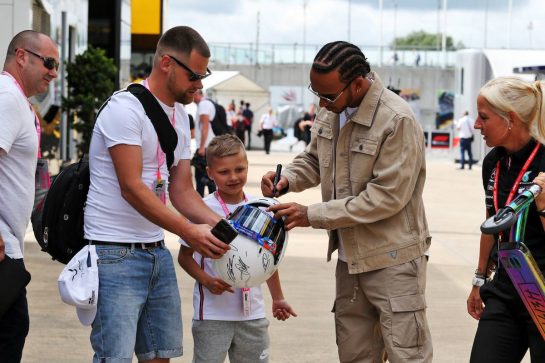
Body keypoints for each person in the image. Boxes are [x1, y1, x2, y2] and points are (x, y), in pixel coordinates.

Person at [261, 41, 432, 363]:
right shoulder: (333, 110)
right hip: (350, 258)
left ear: (358, 83)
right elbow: (314, 159)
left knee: (406, 354)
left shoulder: (396, 120)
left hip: (392, 259)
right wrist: (288, 180)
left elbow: (385, 197)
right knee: (355, 353)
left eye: (328, 96)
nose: (322, 105)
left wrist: (312, 214)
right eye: (317, 94)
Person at [83, 26, 230, 363]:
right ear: (167, 63)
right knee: (113, 358)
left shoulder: (180, 116)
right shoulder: (125, 109)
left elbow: (181, 190)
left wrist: (228, 225)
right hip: (112, 253)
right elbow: (131, 188)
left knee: (160, 356)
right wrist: (187, 230)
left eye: (204, 74)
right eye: (194, 74)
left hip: (155, 252)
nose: (200, 84)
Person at [178, 134, 296, 363]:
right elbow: (184, 257)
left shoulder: (260, 209)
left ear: (247, 167)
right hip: (211, 316)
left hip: (253, 314)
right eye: (224, 172)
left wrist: (278, 298)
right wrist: (207, 280)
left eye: (239, 169)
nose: (233, 177)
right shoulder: (200, 210)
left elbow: (268, 260)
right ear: (209, 172)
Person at [467, 76, 545, 362]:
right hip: (507, 285)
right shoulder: (493, 162)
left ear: (510, 119)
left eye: (484, 117)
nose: (477, 125)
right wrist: (478, 279)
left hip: (543, 292)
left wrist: (543, 206)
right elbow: (492, 222)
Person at [0, 30, 58, 363]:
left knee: (12, 330)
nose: (53, 72)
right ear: (22, 56)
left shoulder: (17, 100)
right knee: (11, 331)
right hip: (1, 246)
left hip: (9, 244)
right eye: (49, 63)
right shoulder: (7, 96)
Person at [193, 89, 217, 196]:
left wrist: (202, 147)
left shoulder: (203, 104)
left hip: (206, 147)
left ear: (197, 94)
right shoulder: (205, 103)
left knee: (202, 179)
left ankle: (203, 203)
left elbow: (205, 126)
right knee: (208, 178)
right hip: (208, 146)